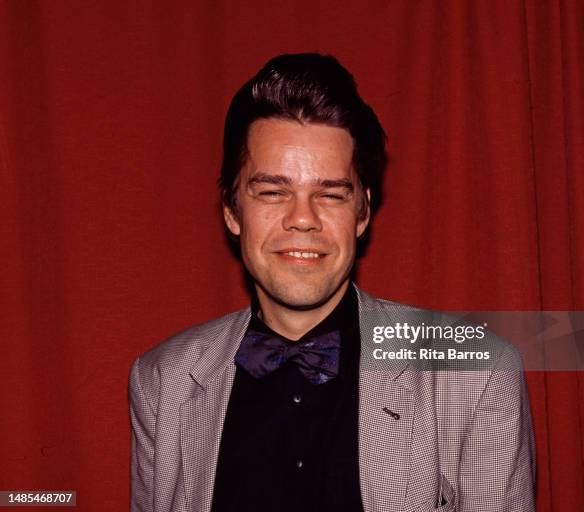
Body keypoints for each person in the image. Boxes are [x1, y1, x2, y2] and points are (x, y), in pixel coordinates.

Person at [129, 53, 535, 512]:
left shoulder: (476, 371)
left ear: (362, 212)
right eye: (272, 191)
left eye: (330, 194)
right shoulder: (162, 380)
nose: (303, 218)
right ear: (230, 210)